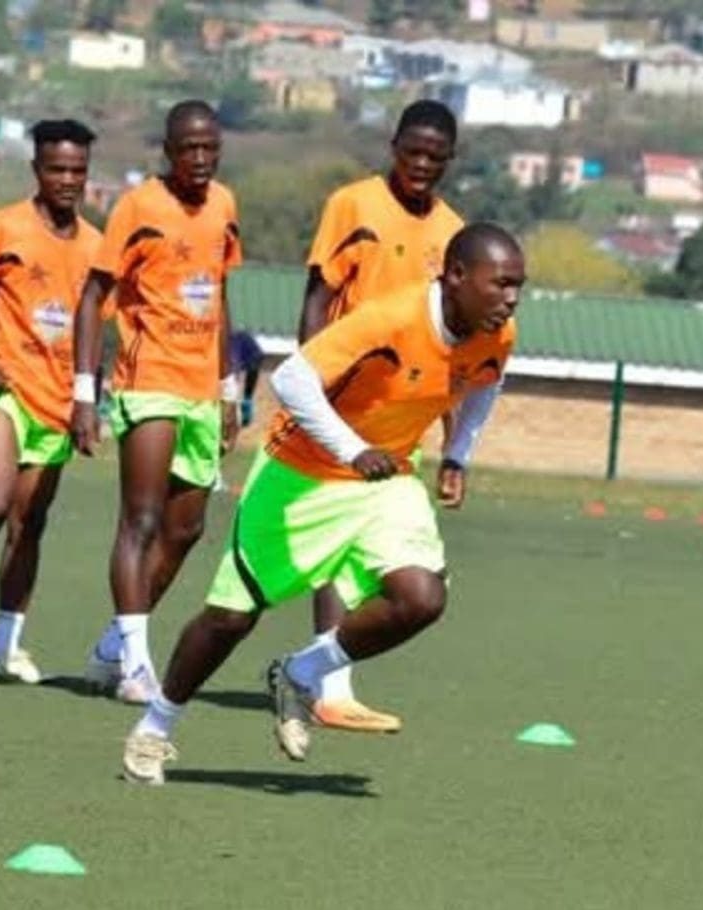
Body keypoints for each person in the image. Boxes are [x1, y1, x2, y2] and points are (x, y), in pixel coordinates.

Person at [118, 223, 523, 785]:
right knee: (230, 618)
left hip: (384, 481)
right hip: (298, 477)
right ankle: (155, 726)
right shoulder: (391, 320)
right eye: (501, 283)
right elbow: (291, 379)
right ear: (456, 276)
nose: (511, 298)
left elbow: (486, 384)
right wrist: (352, 449)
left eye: (518, 286)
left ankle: (301, 673)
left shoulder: (496, 333)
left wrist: (457, 455)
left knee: (422, 598)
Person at [293, 99, 464, 734]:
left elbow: (455, 349)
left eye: (434, 157)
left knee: (390, 559)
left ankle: (319, 674)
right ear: (393, 147)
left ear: (449, 161)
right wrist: (313, 381)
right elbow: (317, 297)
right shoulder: (353, 205)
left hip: (403, 418)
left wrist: (454, 447)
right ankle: (329, 686)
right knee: (336, 546)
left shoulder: (453, 234)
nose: (420, 165)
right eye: (411, 152)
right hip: (343, 408)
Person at [70, 101, 243, 705]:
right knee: (141, 520)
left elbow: (220, 296)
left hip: (201, 389)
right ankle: (137, 666)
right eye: (187, 148)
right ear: (168, 152)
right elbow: (93, 296)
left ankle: (111, 646)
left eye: (209, 147)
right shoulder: (138, 207)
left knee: (186, 528)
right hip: (147, 381)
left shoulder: (224, 205)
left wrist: (228, 388)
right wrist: (84, 393)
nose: (199, 158)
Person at [0, 119, 101, 683]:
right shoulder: (1, 228)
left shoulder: (96, 247)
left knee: (29, 524)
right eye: (57, 169)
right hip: (2, 392)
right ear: (36, 170)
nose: (67, 180)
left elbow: (94, 330)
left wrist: (88, 400)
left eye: (77, 171)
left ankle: (6, 645)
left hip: (57, 404)